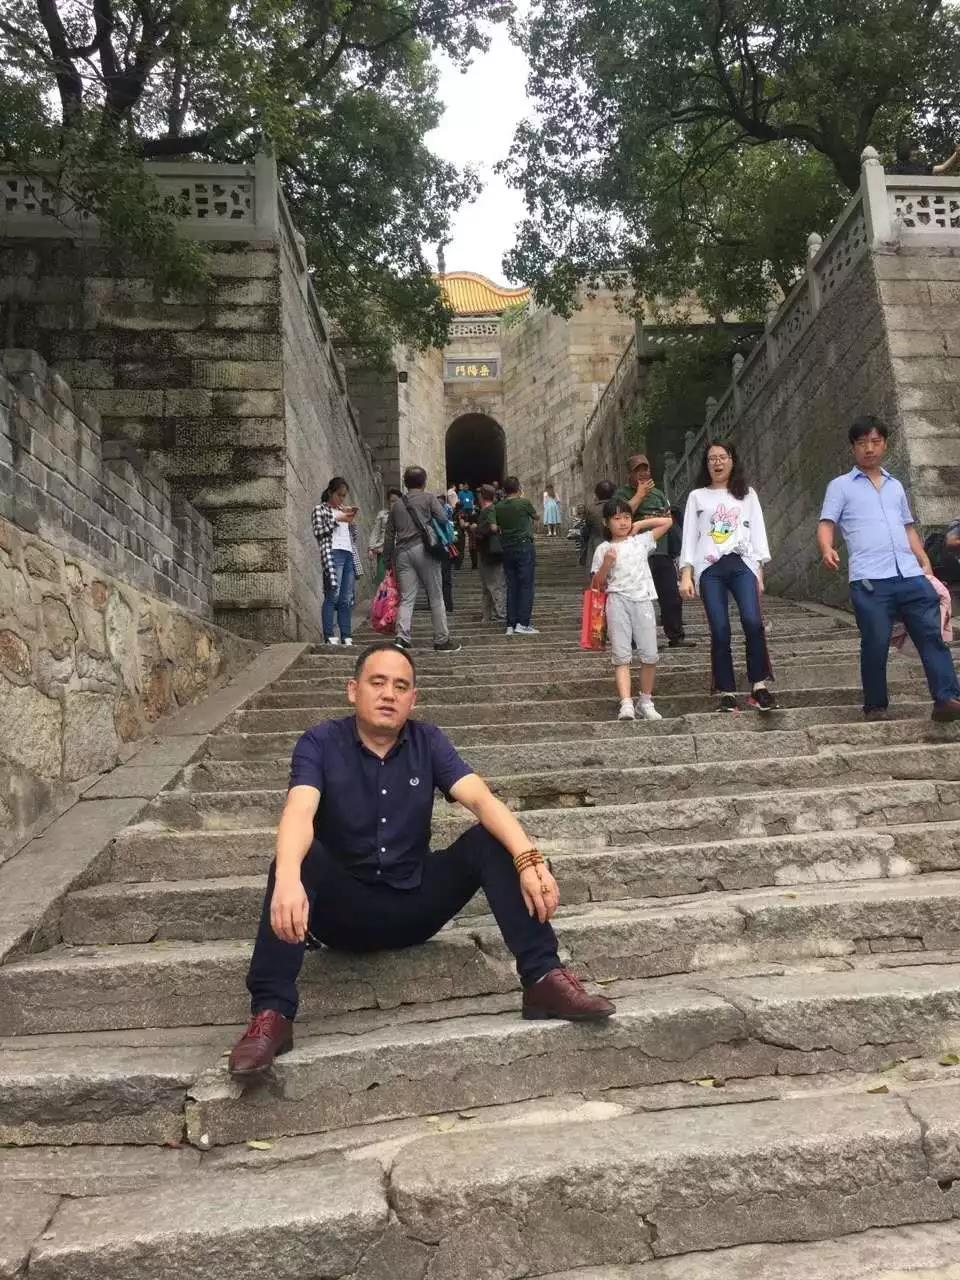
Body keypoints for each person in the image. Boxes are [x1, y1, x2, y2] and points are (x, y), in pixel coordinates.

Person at [227, 641, 615, 1076]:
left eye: (400, 686)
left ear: (413, 699)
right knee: (299, 857)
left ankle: (543, 979)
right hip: (342, 914)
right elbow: (299, 811)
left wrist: (529, 858)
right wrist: (287, 878)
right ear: (353, 690)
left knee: (491, 839)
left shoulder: (427, 741)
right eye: (377, 682)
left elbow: (481, 800)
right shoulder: (320, 742)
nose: (388, 694)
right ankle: (273, 1014)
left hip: (414, 904)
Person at [817, 416, 960, 723]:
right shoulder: (840, 486)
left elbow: (907, 527)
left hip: (910, 575)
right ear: (853, 448)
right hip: (870, 580)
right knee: (875, 641)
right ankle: (875, 705)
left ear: (885, 444)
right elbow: (827, 522)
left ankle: (946, 698)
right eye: (862, 443)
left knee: (931, 635)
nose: (869, 448)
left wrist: (923, 559)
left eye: (875, 441)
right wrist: (827, 548)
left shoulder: (895, 486)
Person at [679, 441, 777, 713]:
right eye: (712, 459)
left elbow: (758, 531)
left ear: (733, 460)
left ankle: (759, 686)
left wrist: (759, 570)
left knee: (753, 621)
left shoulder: (747, 494)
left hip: (742, 563)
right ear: (706, 464)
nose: (718, 463)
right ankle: (727, 691)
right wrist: (686, 573)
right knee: (720, 628)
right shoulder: (697, 496)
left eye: (723, 457)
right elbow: (689, 536)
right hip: (709, 568)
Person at [591, 499, 673, 721]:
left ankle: (645, 701)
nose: (623, 522)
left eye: (626, 517)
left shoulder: (641, 541)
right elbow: (597, 584)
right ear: (606, 522)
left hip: (643, 600)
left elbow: (667, 522)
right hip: (617, 601)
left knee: (650, 655)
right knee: (621, 655)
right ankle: (626, 703)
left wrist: (639, 525)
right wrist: (607, 564)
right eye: (617, 518)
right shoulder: (603, 549)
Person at [616, 454, 694, 648]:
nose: (643, 473)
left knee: (671, 595)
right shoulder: (622, 494)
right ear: (630, 474)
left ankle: (676, 636)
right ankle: (639, 640)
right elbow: (622, 517)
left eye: (646, 469)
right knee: (639, 598)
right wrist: (639, 495)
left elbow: (667, 518)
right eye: (638, 470)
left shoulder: (658, 494)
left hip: (661, 551)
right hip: (636, 554)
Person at [383, 466, 461, 653]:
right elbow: (443, 519)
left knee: (407, 598)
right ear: (424, 482)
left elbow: (389, 534)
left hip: (402, 553)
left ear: (405, 483)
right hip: (424, 549)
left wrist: (387, 559)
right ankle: (442, 640)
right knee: (435, 595)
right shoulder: (428, 498)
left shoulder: (397, 505)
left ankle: (402, 638)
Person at [312, 476, 363, 647]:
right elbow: (319, 531)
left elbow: (353, 537)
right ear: (330, 492)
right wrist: (337, 520)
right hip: (333, 553)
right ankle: (329, 635)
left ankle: (346, 635)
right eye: (339, 495)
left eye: (344, 496)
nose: (341, 499)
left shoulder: (343, 510)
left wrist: (352, 521)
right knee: (332, 595)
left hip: (349, 554)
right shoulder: (320, 509)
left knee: (346, 598)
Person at [495, 476, 539, 636]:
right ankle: (523, 623)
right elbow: (536, 517)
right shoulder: (524, 503)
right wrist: (523, 496)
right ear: (519, 488)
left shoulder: (498, 506)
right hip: (523, 545)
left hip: (507, 548)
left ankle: (510, 623)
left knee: (511, 585)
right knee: (526, 585)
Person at [476, 483, 507, 622]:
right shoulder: (489, 510)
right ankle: (488, 615)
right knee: (489, 585)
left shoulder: (489, 510)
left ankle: (499, 614)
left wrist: (475, 528)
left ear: (481, 496)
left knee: (495, 584)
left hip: (491, 552)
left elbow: (490, 529)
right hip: (487, 552)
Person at [581, 480, 616, 580]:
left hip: (596, 541)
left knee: (595, 569)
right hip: (615, 541)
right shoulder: (619, 506)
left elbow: (588, 526)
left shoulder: (592, 509)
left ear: (597, 494)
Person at [368, 488, 402, 586]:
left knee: (398, 581)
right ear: (388, 502)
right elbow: (376, 532)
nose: (394, 504)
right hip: (383, 551)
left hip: (399, 552)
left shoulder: (404, 515)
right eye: (391, 501)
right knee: (383, 579)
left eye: (396, 501)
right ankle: (383, 596)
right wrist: (371, 548)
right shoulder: (382, 514)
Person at [888, 136, 960, 176]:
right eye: (913, 150)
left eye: (917, 149)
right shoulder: (897, 168)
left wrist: (956, 153)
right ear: (906, 151)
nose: (917, 152)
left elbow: (943, 167)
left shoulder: (920, 167)